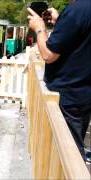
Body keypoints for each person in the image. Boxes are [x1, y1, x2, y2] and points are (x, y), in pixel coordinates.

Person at [28, 0, 91, 162]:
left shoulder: (76, 10)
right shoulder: (81, 10)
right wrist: (61, 20)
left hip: (67, 96)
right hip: (83, 93)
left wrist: (39, 28)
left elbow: (48, 55)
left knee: (68, 155)